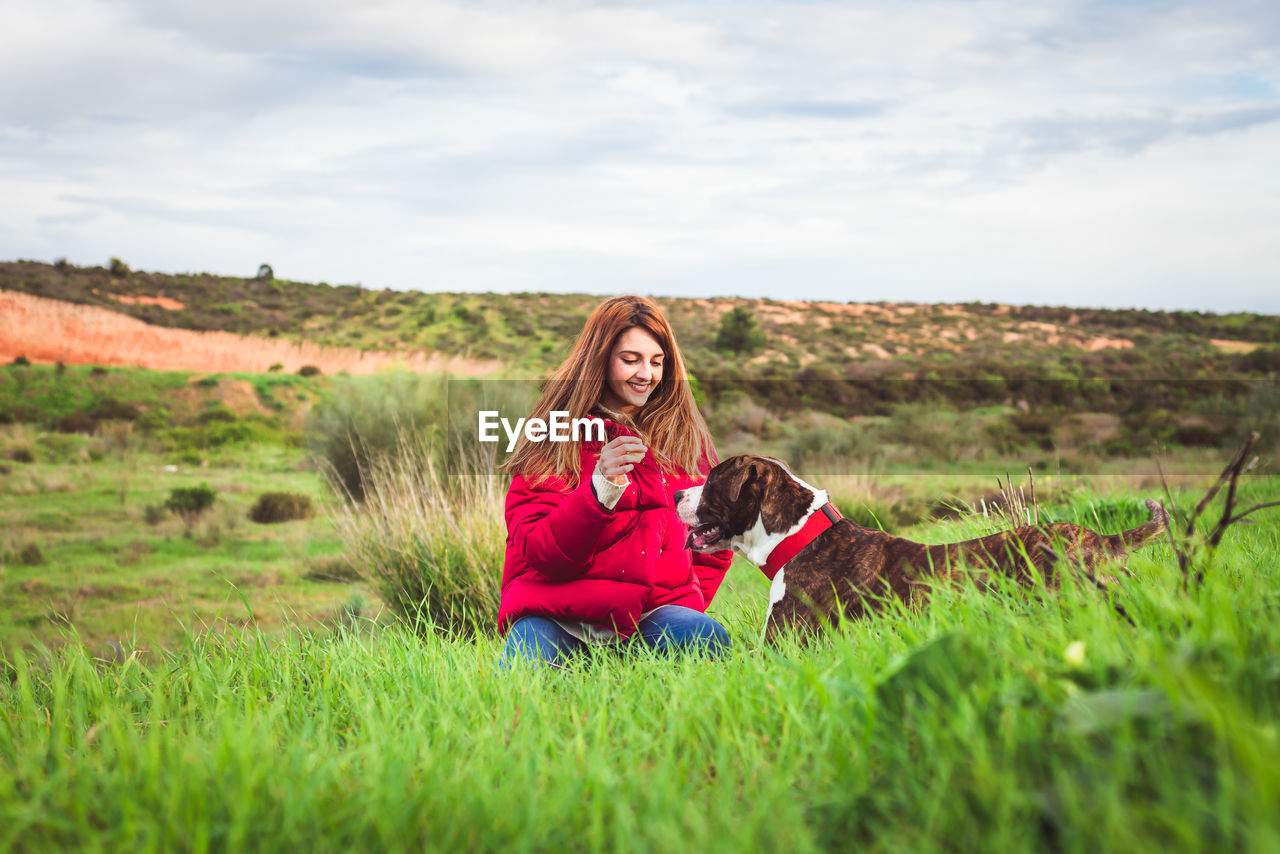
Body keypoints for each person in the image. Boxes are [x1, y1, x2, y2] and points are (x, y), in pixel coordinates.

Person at [497, 295, 734, 668]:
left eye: (657, 362)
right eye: (630, 360)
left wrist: (684, 604)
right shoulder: (551, 437)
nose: (646, 374)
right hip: (556, 619)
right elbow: (541, 553)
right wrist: (599, 490)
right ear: (599, 360)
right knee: (518, 690)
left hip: (652, 620)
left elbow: (716, 539)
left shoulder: (683, 443)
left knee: (705, 637)